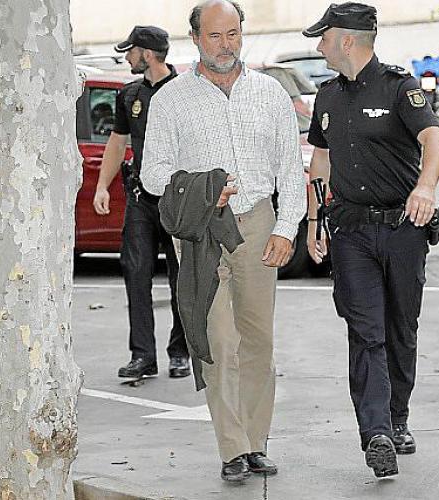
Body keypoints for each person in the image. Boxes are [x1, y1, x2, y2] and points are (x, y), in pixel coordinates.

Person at [140, 0, 306, 483]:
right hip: (202, 232)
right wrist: (203, 188)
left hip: (257, 225)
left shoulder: (269, 93)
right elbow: (152, 175)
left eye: (233, 34)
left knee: (258, 341)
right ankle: (232, 448)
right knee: (218, 341)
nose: (225, 45)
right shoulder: (171, 99)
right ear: (195, 38)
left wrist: (285, 228)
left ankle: (256, 443)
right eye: (214, 35)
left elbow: (289, 169)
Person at [302, 2, 439, 478]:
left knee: (400, 330)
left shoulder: (399, 88)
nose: (320, 46)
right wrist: (313, 220)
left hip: (403, 229)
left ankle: (397, 418)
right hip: (351, 233)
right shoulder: (327, 96)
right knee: (365, 331)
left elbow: (435, 140)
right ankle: (377, 432)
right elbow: (321, 160)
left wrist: (425, 188)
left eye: (324, 38)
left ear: (347, 40)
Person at [92, 26, 190, 380]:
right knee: (136, 274)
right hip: (140, 199)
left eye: (130, 51)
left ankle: (181, 351)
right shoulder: (130, 93)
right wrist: (102, 186)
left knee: (182, 280)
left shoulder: (186, 91)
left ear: (147, 53)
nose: (127, 57)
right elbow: (118, 142)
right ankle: (142, 356)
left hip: (177, 201)